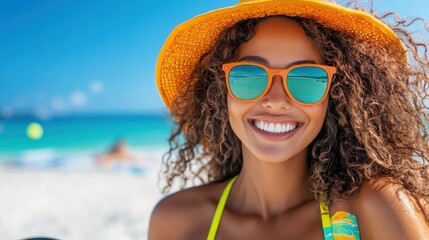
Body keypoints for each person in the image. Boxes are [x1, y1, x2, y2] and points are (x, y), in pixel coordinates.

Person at [150, 0, 429, 239]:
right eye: (249, 75)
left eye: (307, 78)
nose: (276, 100)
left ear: (338, 94)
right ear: (219, 90)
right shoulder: (175, 222)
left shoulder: (372, 208)